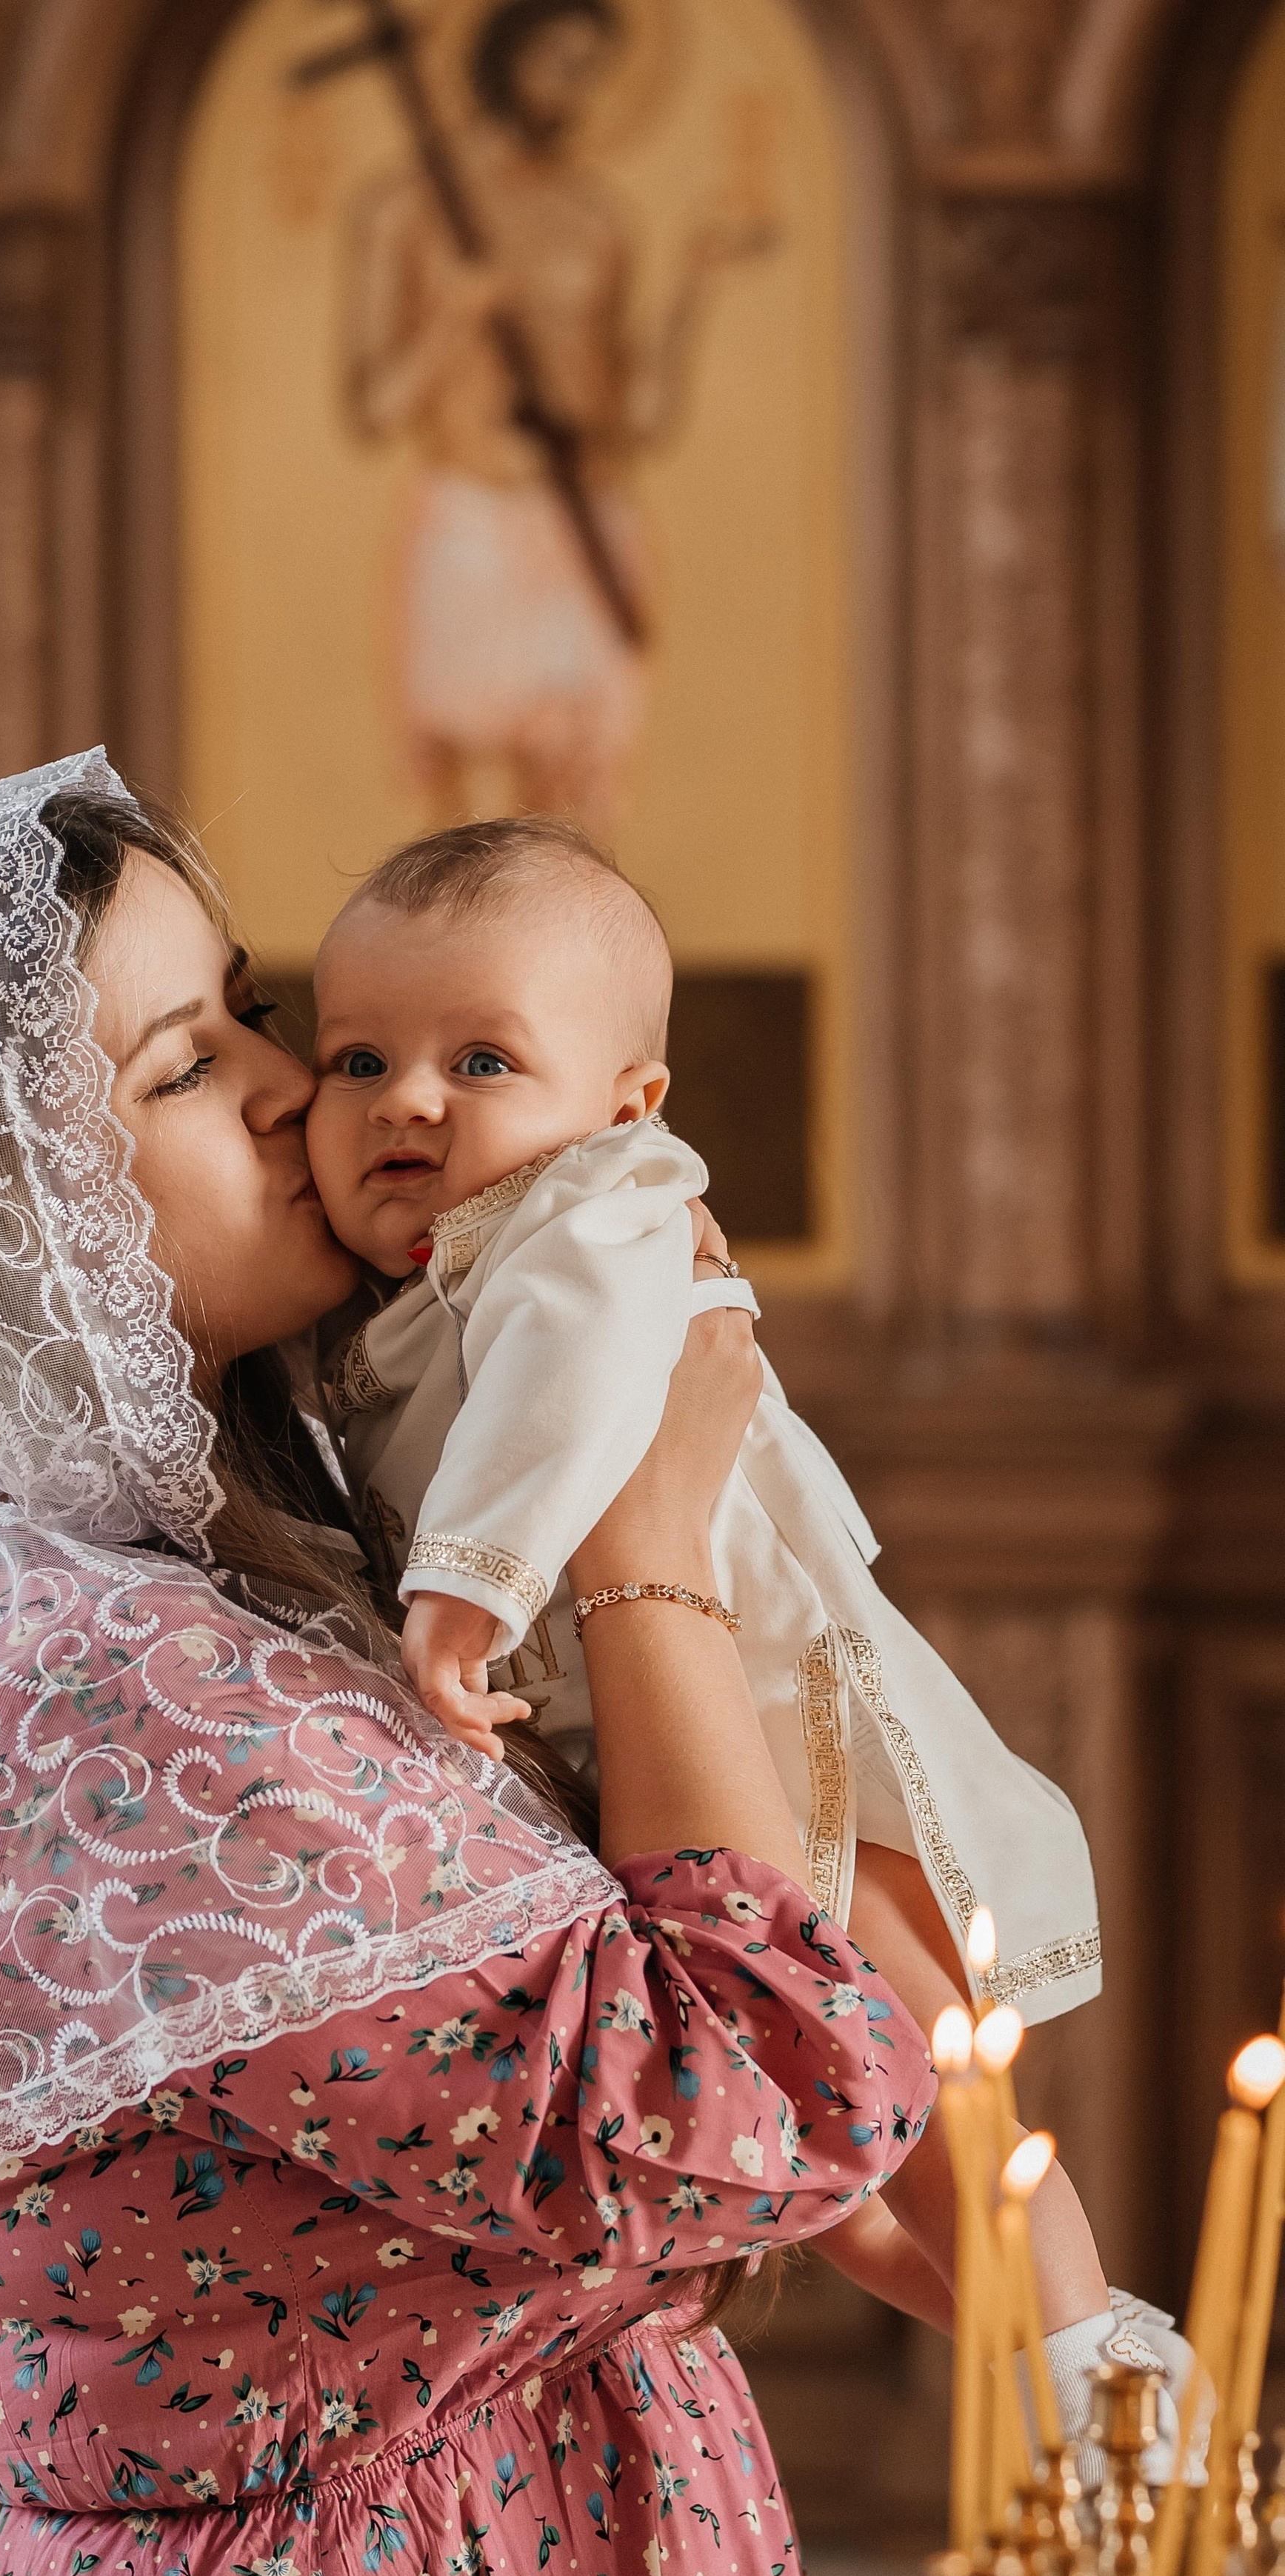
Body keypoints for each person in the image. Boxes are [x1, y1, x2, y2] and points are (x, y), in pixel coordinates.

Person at [0, 750, 934, 2576]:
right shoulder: (89, 1688)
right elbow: (747, 2099)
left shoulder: (20, 1556)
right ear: (0, 1221)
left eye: (245, 1011)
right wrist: (639, 1531)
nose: (282, 1088)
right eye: (171, 1066)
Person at [303, 810, 1192, 2454]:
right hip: (629, 1727)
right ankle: (1050, 2347)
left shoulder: (598, 1215)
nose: (404, 1099)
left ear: (622, 1104)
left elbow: (567, 1388)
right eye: (354, 1057)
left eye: (480, 1057)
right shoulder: (396, 1293)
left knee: (911, 2061)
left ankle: (1083, 2353)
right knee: (829, 2176)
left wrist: (464, 1590)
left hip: (770, 1719)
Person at [343, 0, 772, 830]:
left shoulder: (596, 217)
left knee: (563, 816)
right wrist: (451, 320)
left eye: (592, 71)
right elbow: (372, 406)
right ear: (507, 58)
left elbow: (634, 416)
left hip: (580, 519)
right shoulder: (405, 207)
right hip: (467, 517)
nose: (577, 91)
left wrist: (692, 285)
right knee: (460, 822)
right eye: (561, 63)